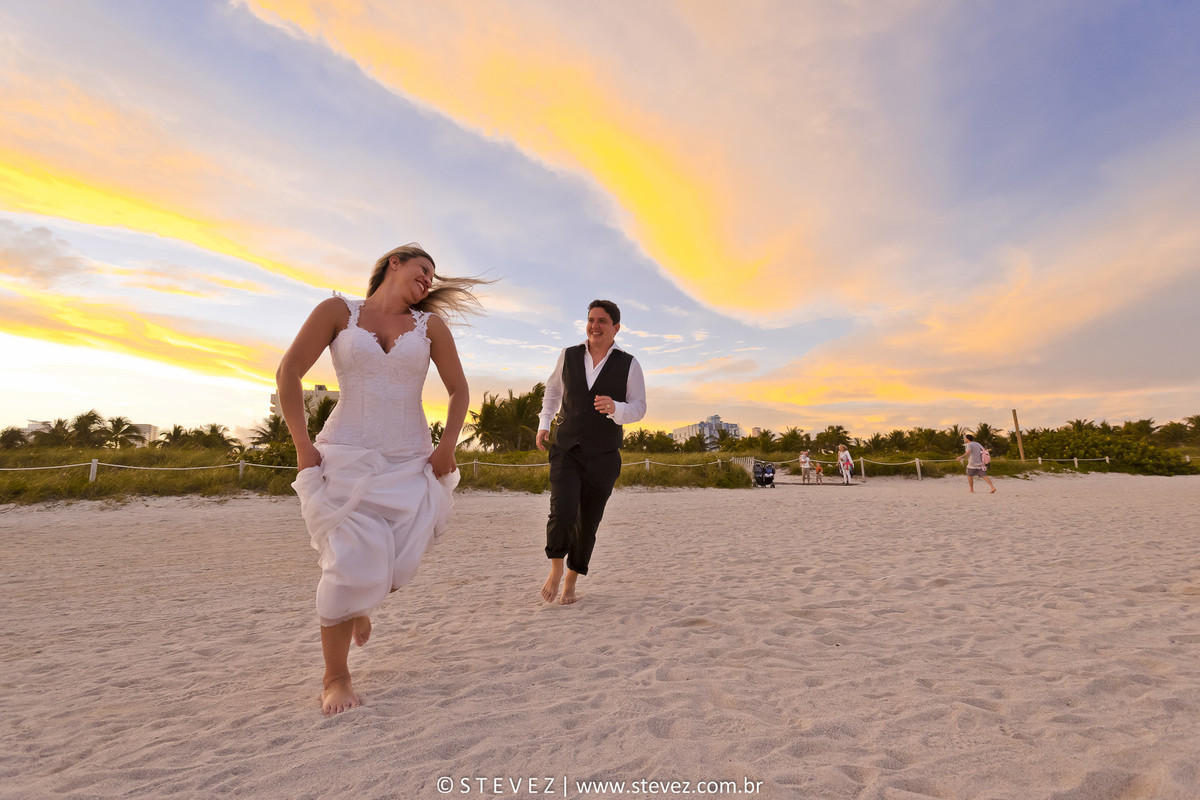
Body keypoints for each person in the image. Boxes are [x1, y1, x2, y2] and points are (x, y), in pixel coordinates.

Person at [277, 243, 485, 715]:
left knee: (397, 566)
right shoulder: (337, 311)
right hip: (344, 457)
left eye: (433, 277)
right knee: (345, 563)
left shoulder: (429, 327)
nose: (428, 281)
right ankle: (336, 676)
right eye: (422, 270)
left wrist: (446, 446)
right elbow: (289, 371)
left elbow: (459, 390)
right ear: (395, 261)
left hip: (411, 461)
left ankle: (362, 603)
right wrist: (302, 445)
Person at [536, 300, 646, 605]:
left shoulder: (629, 363)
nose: (594, 326)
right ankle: (556, 569)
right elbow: (553, 391)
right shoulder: (569, 355)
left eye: (602, 321)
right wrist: (545, 423)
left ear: (616, 328)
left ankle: (572, 578)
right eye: (591, 320)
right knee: (563, 510)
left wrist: (617, 408)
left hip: (604, 454)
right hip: (566, 446)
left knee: (588, 522)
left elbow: (639, 407)